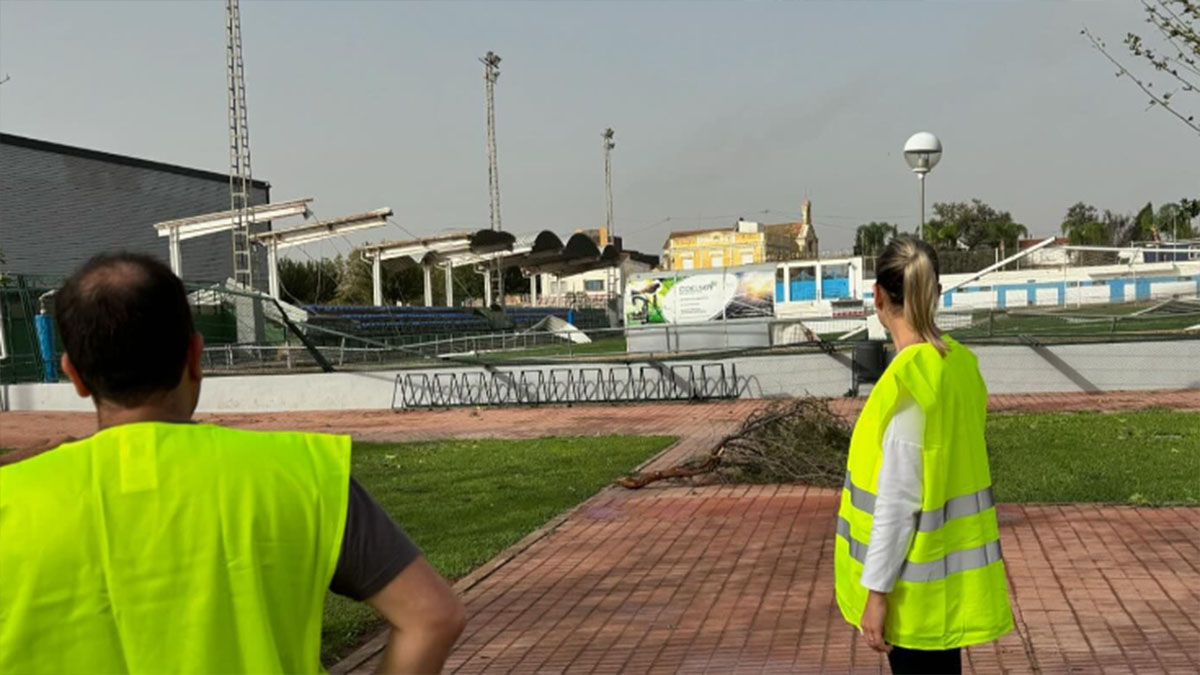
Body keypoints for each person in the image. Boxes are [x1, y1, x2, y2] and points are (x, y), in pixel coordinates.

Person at [0, 253, 465, 674]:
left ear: (74, 375)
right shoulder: (302, 473)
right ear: (196, 357)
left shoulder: (12, 502)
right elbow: (433, 616)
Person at [835, 237, 1013, 675]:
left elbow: (898, 503)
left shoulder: (910, 381)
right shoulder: (958, 368)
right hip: (947, 590)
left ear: (877, 295)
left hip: (914, 598)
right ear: (933, 291)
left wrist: (875, 594)